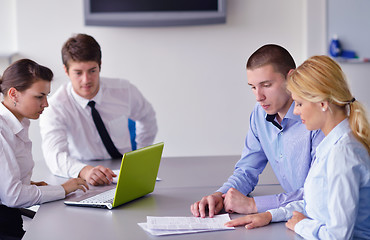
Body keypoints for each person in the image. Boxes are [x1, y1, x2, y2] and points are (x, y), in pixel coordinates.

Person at [225, 55, 370, 239]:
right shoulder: (331, 145)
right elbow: (312, 203)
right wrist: (270, 215)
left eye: (300, 103)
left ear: (323, 104)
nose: (295, 111)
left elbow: (338, 236)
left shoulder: (343, 153)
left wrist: (301, 225)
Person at [191, 44, 324, 218]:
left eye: (266, 85)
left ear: (291, 77)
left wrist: (254, 205)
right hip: (296, 217)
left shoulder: (317, 119)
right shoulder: (260, 113)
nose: (258, 96)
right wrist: (221, 196)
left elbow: (319, 193)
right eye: (253, 87)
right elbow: (247, 170)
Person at [39, 33, 158, 186]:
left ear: (100, 65)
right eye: (78, 73)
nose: (86, 80)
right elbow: (54, 155)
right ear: (66, 70)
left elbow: (147, 117)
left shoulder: (124, 90)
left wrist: (140, 157)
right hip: (83, 174)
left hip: (126, 172)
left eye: (92, 70)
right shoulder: (55, 106)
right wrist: (85, 171)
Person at [0, 59, 89, 240]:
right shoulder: (2, 130)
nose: (46, 104)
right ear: (14, 94)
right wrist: (63, 189)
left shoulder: (18, 123)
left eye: (47, 96)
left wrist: (28, 184)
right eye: (39, 96)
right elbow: (12, 196)